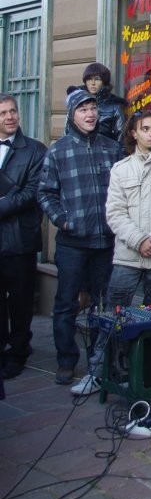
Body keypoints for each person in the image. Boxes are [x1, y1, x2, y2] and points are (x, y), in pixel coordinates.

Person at [70, 109, 151, 396]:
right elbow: (115, 213)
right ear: (134, 133)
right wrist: (139, 240)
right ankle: (100, 372)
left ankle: (149, 375)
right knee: (114, 318)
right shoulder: (121, 169)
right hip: (128, 256)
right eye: (146, 129)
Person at [38, 88, 122, 385]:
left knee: (103, 305)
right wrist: (63, 220)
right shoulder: (58, 151)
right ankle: (66, 360)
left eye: (93, 109)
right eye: (83, 109)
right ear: (73, 116)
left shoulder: (111, 148)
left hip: (105, 243)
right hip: (73, 243)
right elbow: (45, 193)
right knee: (66, 304)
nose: (90, 114)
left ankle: (99, 363)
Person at [0, 95, 47, 379]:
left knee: (20, 301)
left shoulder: (35, 150)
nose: (10, 117)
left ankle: (19, 351)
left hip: (20, 239)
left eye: (13, 111)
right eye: (4, 112)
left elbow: (32, 192)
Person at [65, 63, 126, 146]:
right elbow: (67, 132)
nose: (93, 83)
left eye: (97, 79)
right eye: (89, 79)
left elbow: (121, 139)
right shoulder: (76, 103)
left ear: (104, 82)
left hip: (106, 152)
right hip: (77, 150)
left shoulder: (114, 107)